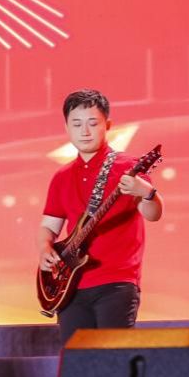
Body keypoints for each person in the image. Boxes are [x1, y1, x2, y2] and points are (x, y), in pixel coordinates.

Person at [38, 88, 163, 343]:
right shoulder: (62, 177)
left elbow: (153, 214)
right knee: (77, 361)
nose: (84, 131)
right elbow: (49, 226)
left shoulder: (128, 167)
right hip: (70, 286)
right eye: (76, 124)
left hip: (117, 282)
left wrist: (147, 193)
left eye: (93, 123)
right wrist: (45, 248)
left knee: (113, 357)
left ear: (108, 125)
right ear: (67, 127)